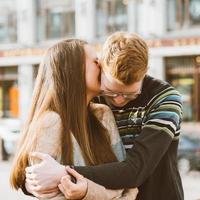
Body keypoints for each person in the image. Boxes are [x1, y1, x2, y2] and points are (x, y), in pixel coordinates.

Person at [23, 32, 184, 200]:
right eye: (112, 92)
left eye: (131, 95)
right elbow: (33, 168)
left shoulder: (165, 99)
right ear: (101, 66)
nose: (119, 100)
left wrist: (63, 173)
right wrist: (33, 183)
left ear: (145, 72)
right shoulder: (94, 99)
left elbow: (135, 170)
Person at [9, 39, 138, 200]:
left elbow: (128, 183)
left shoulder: (103, 114)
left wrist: (86, 192)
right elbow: (48, 192)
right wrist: (102, 193)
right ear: (73, 71)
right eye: (95, 61)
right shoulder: (50, 122)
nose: (102, 65)